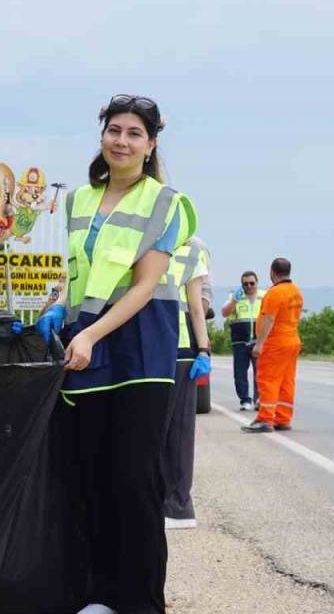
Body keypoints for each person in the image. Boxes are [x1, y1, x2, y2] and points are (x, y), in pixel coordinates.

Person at [35, 94, 195, 614]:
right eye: (114, 131)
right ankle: (96, 596)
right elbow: (80, 274)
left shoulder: (165, 201)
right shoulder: (80, 200)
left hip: (139, 354)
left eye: (133, 134)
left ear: (150, 146)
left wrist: (91, 334)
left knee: (133, 480)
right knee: (88, 475)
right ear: (102, 136)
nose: (121, 141)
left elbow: (146, 284)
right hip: (87, 348)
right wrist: (59, 307)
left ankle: (142, 603)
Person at [163, 237, 212, 530]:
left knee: (179, 431)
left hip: (180, 349)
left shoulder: (194, 249)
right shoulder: (144, 239)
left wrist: (203, 349)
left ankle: (179, 506)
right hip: (149, 347)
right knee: (154, 430)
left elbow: (198, 307)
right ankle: (159, 501)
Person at [242, 258, 304, 433]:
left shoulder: (275, 293)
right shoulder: (296, 292)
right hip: (292, 340)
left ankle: (266, 419)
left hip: (275, 342)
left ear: (272, 272)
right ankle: (283, 418)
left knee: (268, 380)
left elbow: (269, 318)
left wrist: (259, 343)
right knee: (286, 381)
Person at [222, 270, 265, 411]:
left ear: (257, 283)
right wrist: (234, 300)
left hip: (259, 339)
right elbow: (225, 313)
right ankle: (245, 400)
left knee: (260, 371)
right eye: (245, 284)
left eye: (252, 283)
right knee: (240, 372)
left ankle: (258, 398)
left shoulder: (264, 296)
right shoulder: (235, 297)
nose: (249, 286)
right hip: (239, 340)